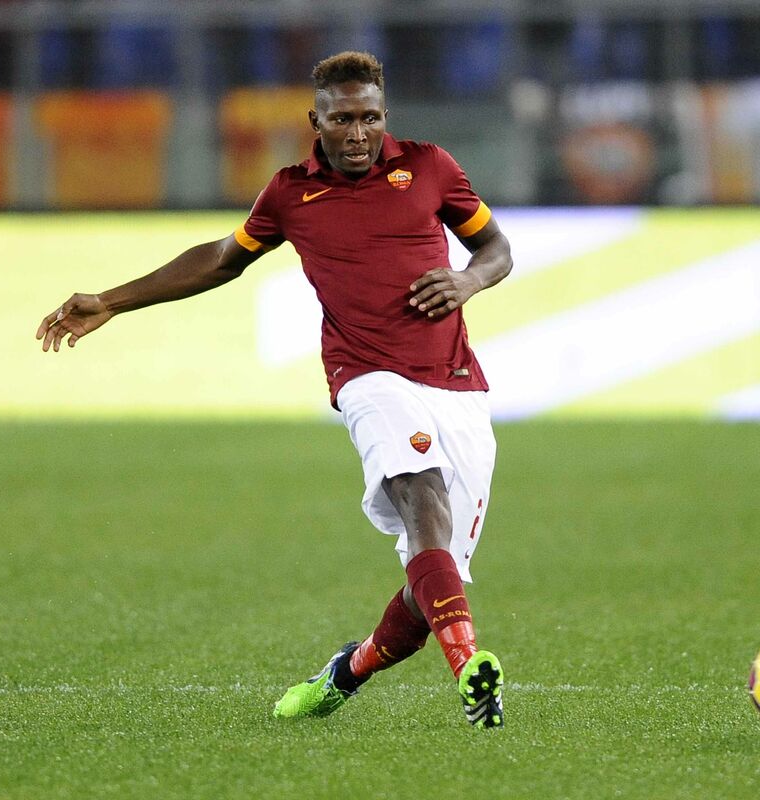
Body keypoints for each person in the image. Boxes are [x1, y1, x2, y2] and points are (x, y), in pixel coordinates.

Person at [35, 51, 513, 729]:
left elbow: (496, 249)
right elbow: (222, 260)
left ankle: (345, 673)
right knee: (419, 492)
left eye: (369, 118)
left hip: (458, 386)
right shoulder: (291, 193)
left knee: (431, 583)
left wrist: (468, 279)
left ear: (386, 115)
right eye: (342, 119)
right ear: (315, 121)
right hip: (367, 377)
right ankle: (470, 668)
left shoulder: (431, 167)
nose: (357, 133)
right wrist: (112, 300)